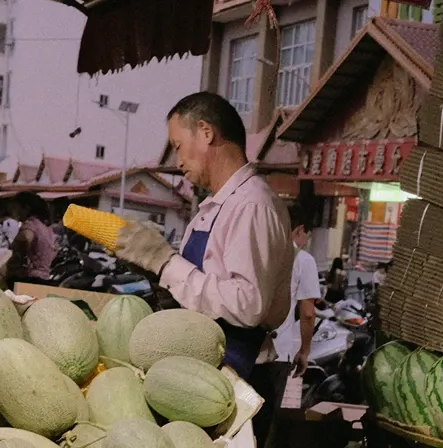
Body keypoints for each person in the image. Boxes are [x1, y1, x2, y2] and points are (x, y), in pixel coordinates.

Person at [112, 92, 293, 399]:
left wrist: (166, 262)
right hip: (204, 365)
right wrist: (154, 272)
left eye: (178, 147)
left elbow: (247, 305)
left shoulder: (252, 205)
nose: (178, 161)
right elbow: (198, 287)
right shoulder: (211, 209)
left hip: (237, 375)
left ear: (206, 132)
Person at [273, 205, 322, 381]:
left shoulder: (256, 251)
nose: (305, 243)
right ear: (299, 230)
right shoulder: (303, 259)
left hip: (244, 347)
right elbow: (308, 313)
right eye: (306, 237)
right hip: (277, 351)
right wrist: (304, 351)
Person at [6, 192, 58, 282]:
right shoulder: (44, 226)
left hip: (31, 277)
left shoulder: (30, 223)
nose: (14, 213)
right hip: (45, 276)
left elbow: (26, 237)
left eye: (16, 209)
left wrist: (19, 250)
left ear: (26, 209)